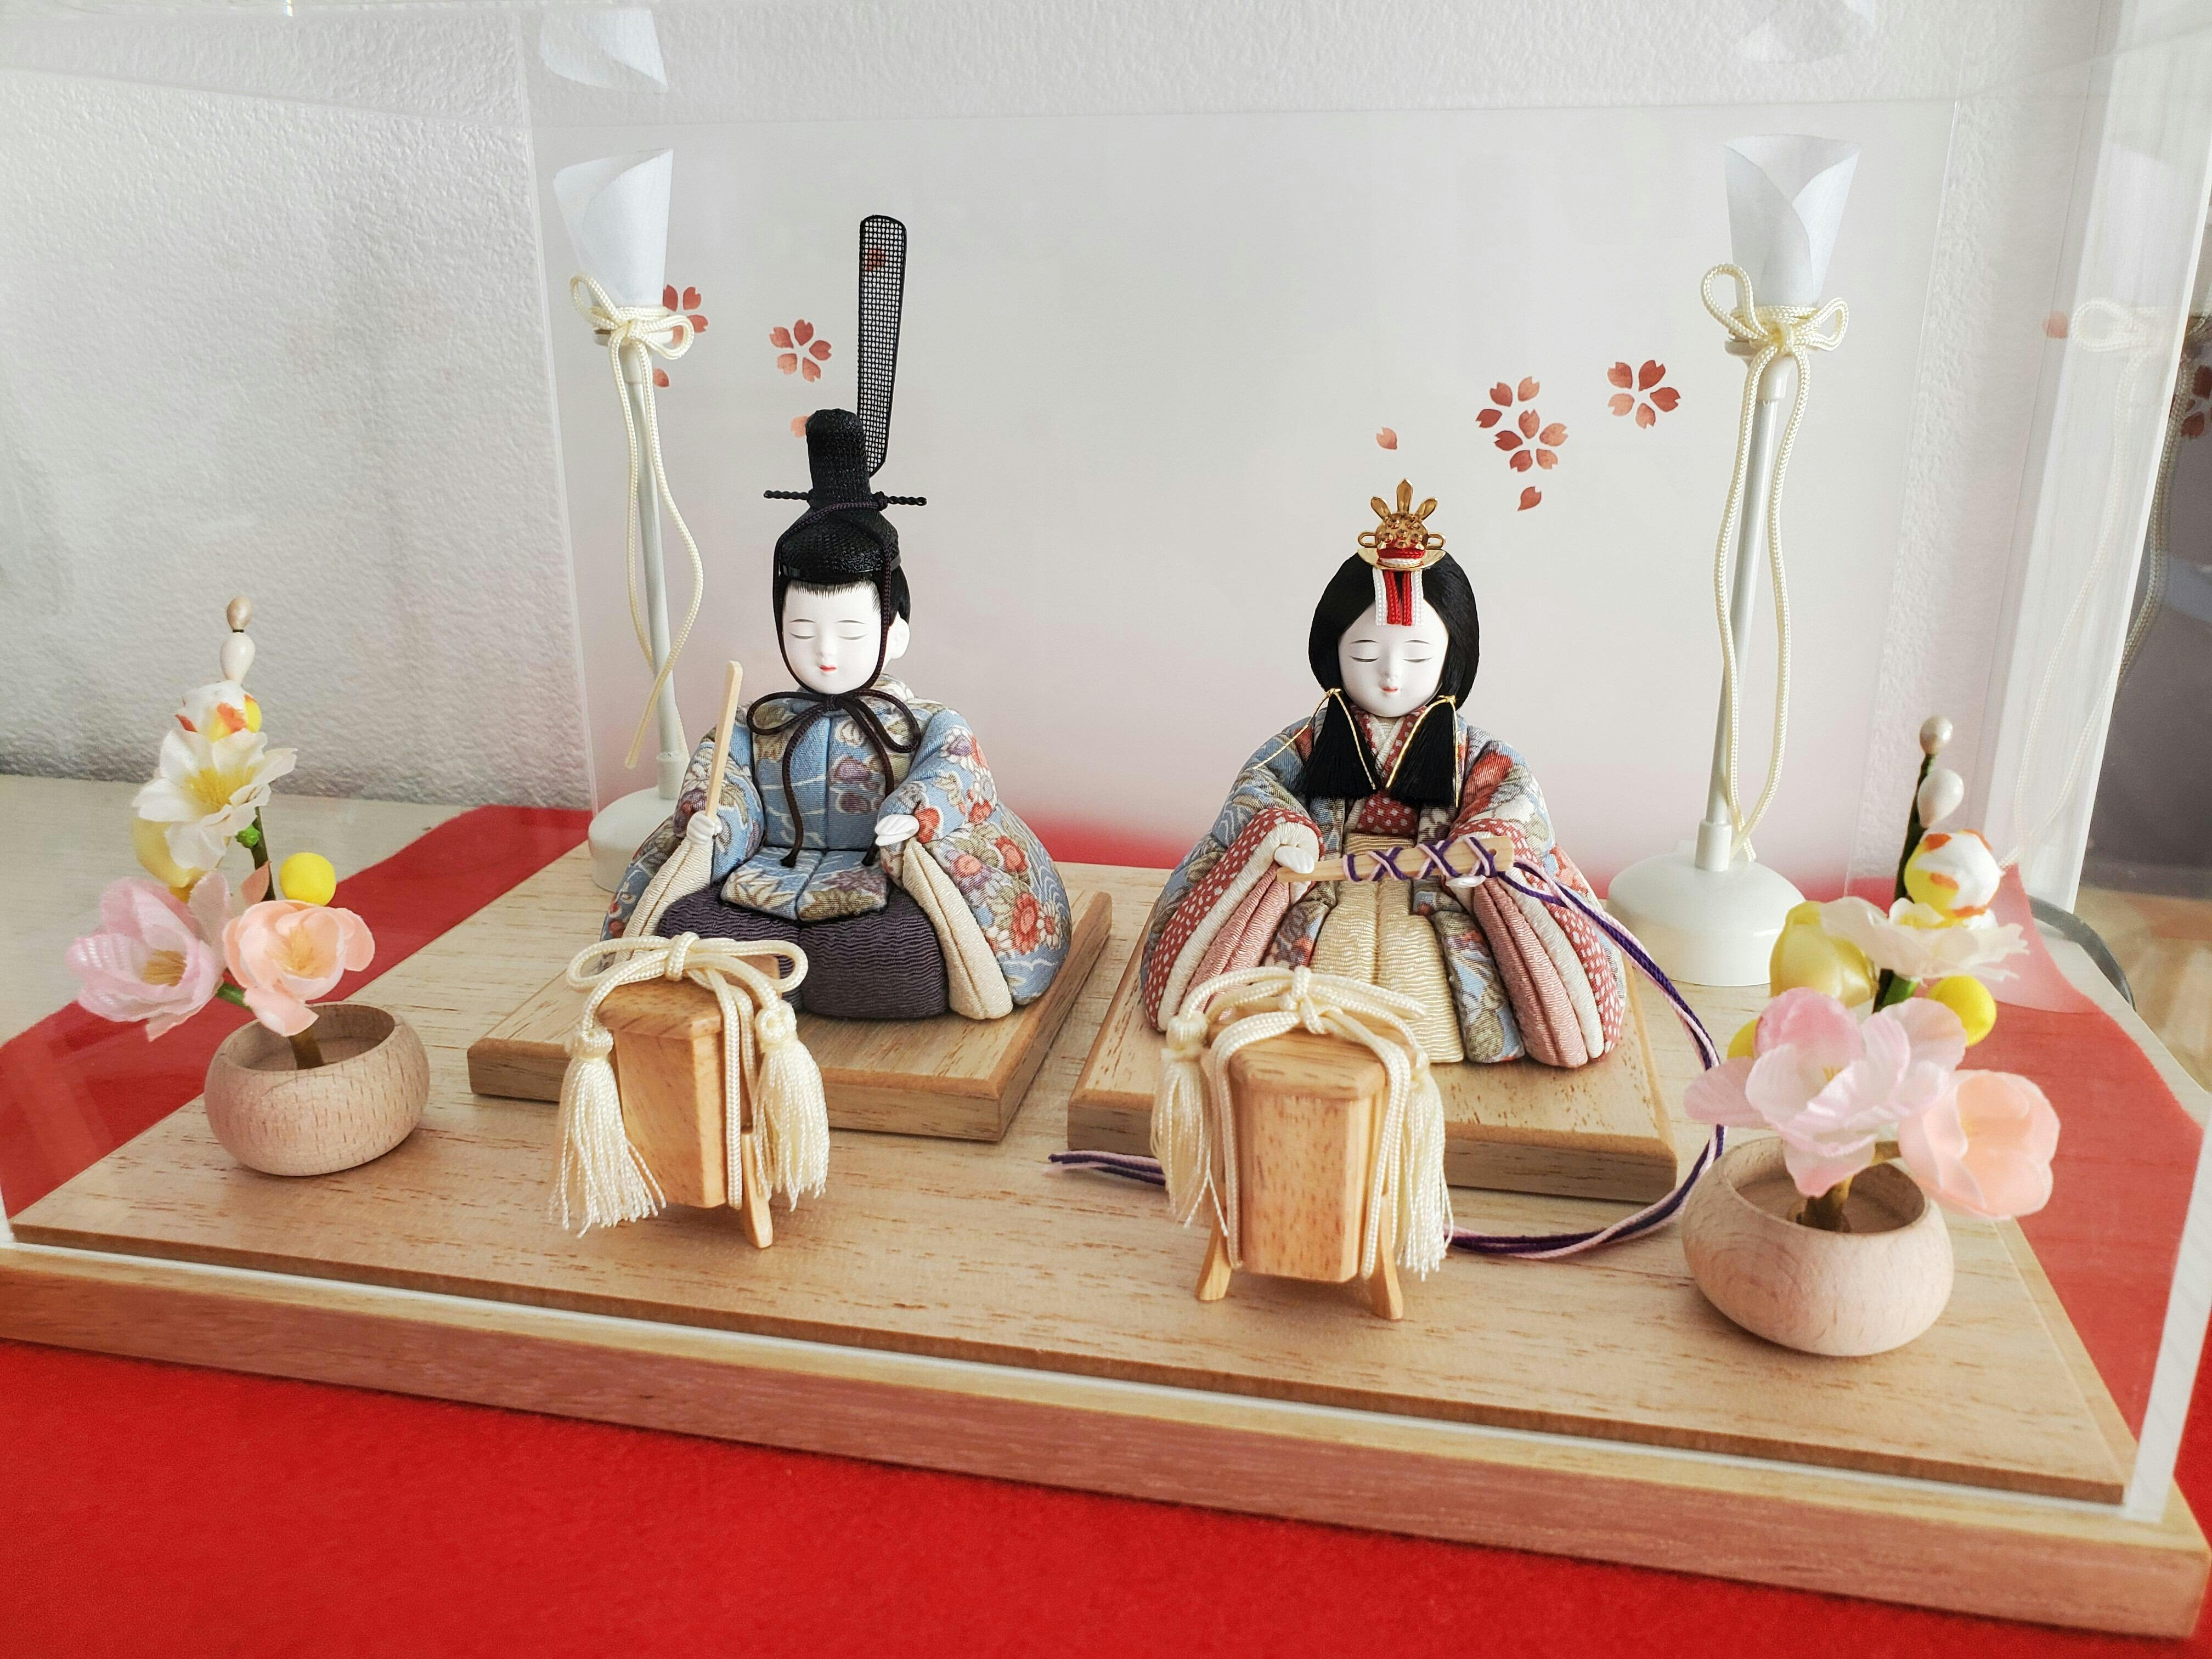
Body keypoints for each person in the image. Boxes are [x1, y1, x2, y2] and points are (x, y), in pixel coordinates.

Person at [604, 218, 1071, 1020]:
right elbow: (725, 782)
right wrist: (716, 820)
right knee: (685, 929)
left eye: (851, 635)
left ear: (897, 630)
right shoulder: (757, 726)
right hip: (765, 875)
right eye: (802, 633)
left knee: (907, 959)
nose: (825, 654)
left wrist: (910, 816)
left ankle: (840, 976)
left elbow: (957, 772)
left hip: (881, 878)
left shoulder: (923, 726)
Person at [1136, 481, 1624, 1066]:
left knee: (1459, 975)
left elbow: (1514, 799)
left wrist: (1484, 844)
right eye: (1367, 653)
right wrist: (1283, 833)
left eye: (1417, 656)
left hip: (1438, 887)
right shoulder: (1307, 741)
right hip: (1320, 880)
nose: (1391, 675)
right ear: (1334, 651)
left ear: (1452, 658)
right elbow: (1258, 789)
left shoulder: (1475, 752)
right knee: (1285, 974)